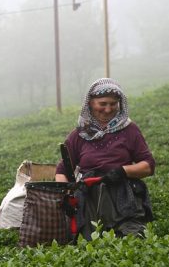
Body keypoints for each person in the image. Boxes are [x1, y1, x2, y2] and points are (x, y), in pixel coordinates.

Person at [55, 78, 155, 239]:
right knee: (89, 240)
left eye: (113, 104)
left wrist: (123, 171)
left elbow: (148, 166)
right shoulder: (79, 135)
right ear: (90, 104)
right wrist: (65, 194)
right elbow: (62, 170)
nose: (108, 109)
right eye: (102, 104)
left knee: (132, 238)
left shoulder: (130, 130)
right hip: (89, 196)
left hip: (123, 195)